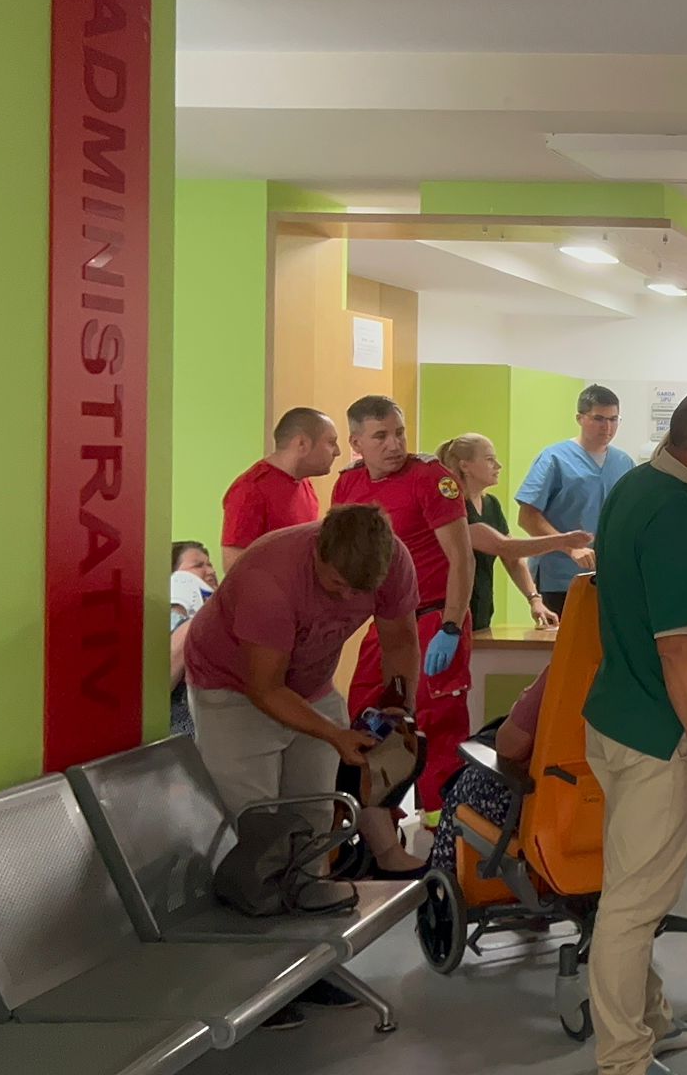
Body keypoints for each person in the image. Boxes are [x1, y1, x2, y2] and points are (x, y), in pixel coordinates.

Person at [182, 506, 417, 1028]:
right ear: (318, 553)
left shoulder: (393, 561)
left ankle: (308, 971)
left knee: (314, 826)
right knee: (258, 831)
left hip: (311, 685)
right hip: (232, 690)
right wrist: (334, 735)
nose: (346, 599)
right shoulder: (270, 576)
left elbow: (401, 640)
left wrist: (402, 711)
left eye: (358, 590)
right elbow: (265, 688)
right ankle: (250, 987)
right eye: (335, 585)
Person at [583, 388, 687, 1075]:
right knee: (631, 907)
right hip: (661, 739)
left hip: (622, 718)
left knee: (633, 889)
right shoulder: (674, 513)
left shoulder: (637, 488)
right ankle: (623, 1059)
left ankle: (648, 1018)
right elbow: (679, 648)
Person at [332, 395, 474, 823]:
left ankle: (443, 825)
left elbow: (462, 559)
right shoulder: (349, 484)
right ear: (356, 443)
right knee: (365, 713)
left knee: (434, 720)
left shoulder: (430, 478)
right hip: (386, 620)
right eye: (381, 436)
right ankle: (376, 822)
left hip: (434, 616)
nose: (395, 444)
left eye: (399, 433)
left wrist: (451, 625)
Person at [437, 433, 591, 632]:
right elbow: (504, 547)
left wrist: (534, 600)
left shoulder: (491, 504)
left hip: (480, 611)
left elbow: (513, 560)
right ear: (465, 466)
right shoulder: (451, 506)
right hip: (446, 612)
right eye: (489, 459)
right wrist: (564, 540)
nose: (498, 466)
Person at [516, 384, 633, 616]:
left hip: (610, 579)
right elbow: (527, 517)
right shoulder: (555, 458)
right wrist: (570, 548)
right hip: (559, 578)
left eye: (613, 419)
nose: (607, 427)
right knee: (564, 638)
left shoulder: (624, 463)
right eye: (598, 418)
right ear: (580, 418)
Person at [429, 666, 548, 874]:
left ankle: (443, 882)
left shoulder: (565, 672)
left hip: (540, 812)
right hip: (596, 817)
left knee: (468, 781)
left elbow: (510, 746)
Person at [221, 407, 340, 571]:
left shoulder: (305, 484)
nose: (337, 452)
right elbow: (234, 565)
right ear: (302, 444)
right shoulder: (250, 489)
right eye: (331, 443)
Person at [168, 541, 219, 736]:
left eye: (210, 564)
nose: (211, 571)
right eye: (198, 565)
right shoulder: (157, 624)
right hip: (182, 732)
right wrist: (178, 606)